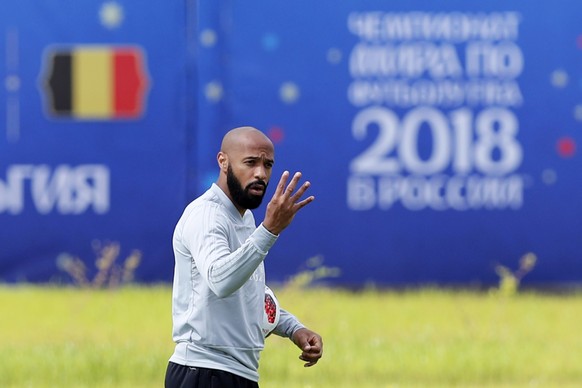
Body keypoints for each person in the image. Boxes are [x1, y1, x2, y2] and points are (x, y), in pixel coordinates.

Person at [165, 126, 323, 387]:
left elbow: (248, 295)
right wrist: (269, 231)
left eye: (268, 164)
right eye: (250, 162)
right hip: (204, 371)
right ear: (223, 162)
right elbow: (222, 281)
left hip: (238, 374)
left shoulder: (245, 218)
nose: (261, 173)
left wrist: (294, 329)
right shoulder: (206, 215)